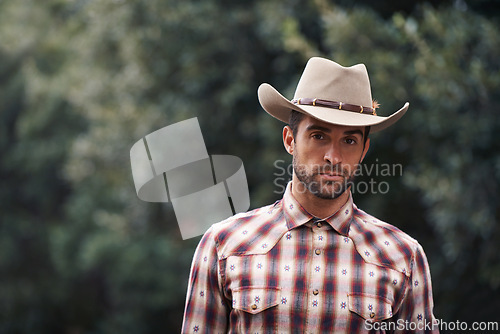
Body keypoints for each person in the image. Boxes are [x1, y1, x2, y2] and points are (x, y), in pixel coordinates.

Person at [181, 57, 438, 333]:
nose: (333, 156)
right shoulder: (224, 246)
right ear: (290, 140)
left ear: (364, 150)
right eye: (318, 136)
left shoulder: (403, 257)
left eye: (349, 141)